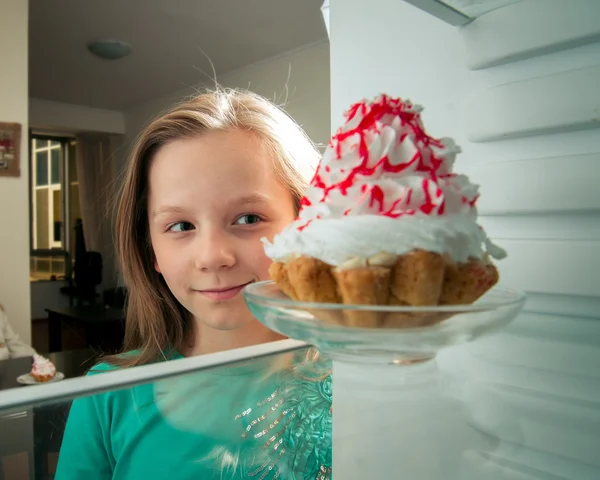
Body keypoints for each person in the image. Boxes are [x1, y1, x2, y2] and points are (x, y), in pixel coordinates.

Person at [55, 89, 332, 480]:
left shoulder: (361, 375)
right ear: (151, 249)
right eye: (181, 226)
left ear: (306, 221)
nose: (212, 256)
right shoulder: (107, 397)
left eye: (249, 218)